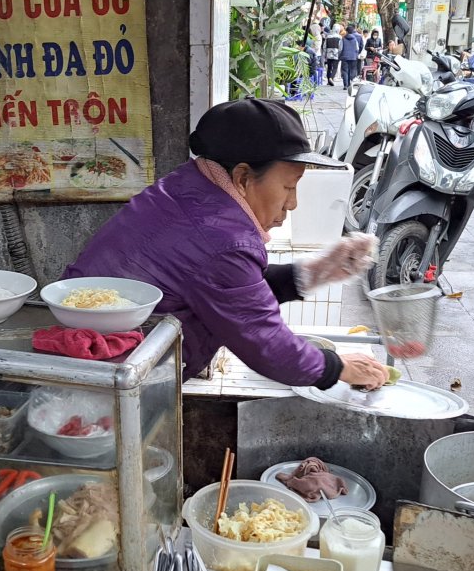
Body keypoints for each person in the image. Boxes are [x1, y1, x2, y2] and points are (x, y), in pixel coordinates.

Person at [64, 99, 390, 390]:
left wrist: (317, 271)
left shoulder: (189, 188)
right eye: (289, 186)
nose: (292, 203)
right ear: (243, 178)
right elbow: (265, 344)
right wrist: (338, 367)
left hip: (89, 357)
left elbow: (227, 289)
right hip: (104, 378)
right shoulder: (221, 237)